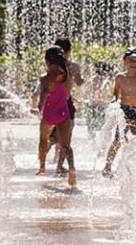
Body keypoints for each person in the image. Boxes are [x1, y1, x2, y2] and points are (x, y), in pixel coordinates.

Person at [103, 48, 136, 177]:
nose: (134, 63)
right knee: (118, 140)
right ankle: (107, 167)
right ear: (124, 61)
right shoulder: (120, 77)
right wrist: (112, 105)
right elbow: (116, 95)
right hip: (124, 112)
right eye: (131, 60)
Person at [32, 45, 77, 187]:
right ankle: (71, 169)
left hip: (49, 114)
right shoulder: (68, 76)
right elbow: (68, 94)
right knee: (66, 145)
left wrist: (39, 108)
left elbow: (44, 95)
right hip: (64, 113)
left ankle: (42, 167)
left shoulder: (45, 78)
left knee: (43, 140)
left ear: (47, 61)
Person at [51, 37, 84, 176]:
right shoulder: (69, 66)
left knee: (56, 137)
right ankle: (58, 165)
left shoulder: (52, 67)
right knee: (62, 138)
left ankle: (53, 165)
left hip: (56, 104)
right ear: (69, 51)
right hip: (63, 104)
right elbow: (79, 82)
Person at [85, 61, 113, 137]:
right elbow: (110, 94)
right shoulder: (107, 80)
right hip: (103, 106)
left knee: (91, 129)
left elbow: (87, 91)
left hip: (91, 105)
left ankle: (92, 143)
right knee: (104, 128)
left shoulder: (92, 79)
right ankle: (102, 145)